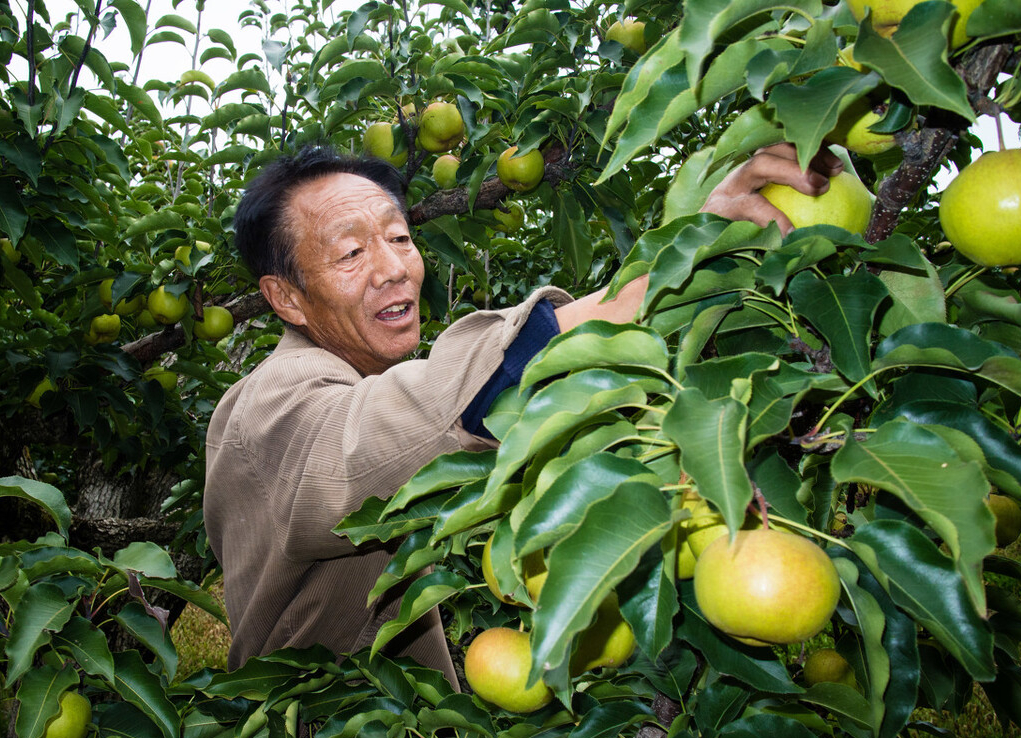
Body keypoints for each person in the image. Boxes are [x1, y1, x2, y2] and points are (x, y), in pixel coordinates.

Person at [202, 142, 844, 684]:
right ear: (285, 296)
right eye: (351, 254)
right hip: (323, 713)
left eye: (399, 238)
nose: (394, 269)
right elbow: (382, 439)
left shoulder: (351, 378)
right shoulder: (273, 398)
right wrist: (664, 275)